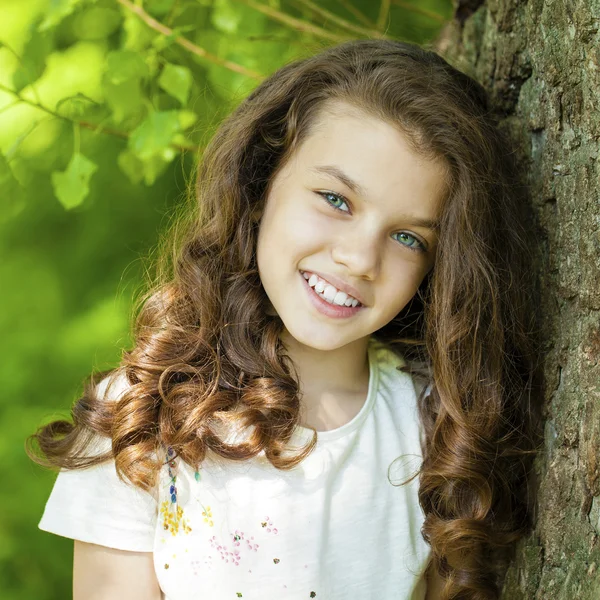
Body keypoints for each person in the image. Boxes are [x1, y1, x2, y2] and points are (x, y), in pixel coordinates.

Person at [27, 39, 540, 600]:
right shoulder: (139, 420)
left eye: (407, 237)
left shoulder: (440, 429)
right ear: (260, 183)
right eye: (336, 200)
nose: (360, 259)